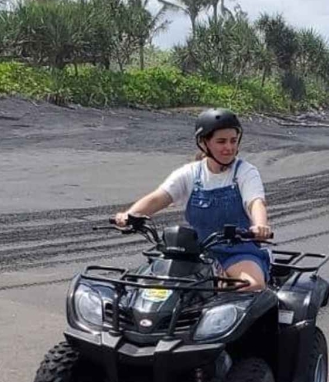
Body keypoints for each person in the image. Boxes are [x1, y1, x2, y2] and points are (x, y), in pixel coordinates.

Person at [113, 108, 272, 291]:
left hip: (237, 253)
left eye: (233, 141)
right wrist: (130, 215)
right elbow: (159, 197)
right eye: (221, 141)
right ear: (204, 143)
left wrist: (260, 225)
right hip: (195, 254)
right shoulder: (191, 173)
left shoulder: (245, 172)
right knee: (145, 288)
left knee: (253, 285)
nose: (229, 147)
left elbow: (255, 202)